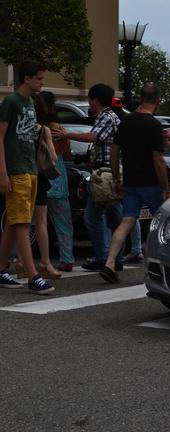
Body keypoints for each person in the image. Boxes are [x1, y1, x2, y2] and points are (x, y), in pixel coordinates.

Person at [99, 83, 170, 283]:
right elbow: (158, 159)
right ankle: (160, 266)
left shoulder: (126, 121)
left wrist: (116, 178)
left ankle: (110, 263)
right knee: (163, 223)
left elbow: (114, 151)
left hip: (130, 181)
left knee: (127, 221)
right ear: (157, 101)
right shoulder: (154, 125)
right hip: (152, 183)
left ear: (140, 98)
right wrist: (166, 188)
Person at [54, 84, 123, 271]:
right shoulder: (110, 117)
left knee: (95, 217)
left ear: (95, 100)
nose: (89, 104)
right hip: (108, 173)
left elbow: (94, 137)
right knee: (111, 216)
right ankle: (114, 257)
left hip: (105, 175)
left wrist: (66, 134)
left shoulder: (106, 118)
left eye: (90, 100)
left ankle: (106, 257)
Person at [0, 60, 55, 294]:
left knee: (16, 222)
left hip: (30, 168)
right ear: (27, 79)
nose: (42, 82)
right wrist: (3, 171)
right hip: (16, 169)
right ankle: (33, 276)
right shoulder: (11, 102)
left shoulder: (31, 102)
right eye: (39, 78)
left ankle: (1, 268)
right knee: (22, 223)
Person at [14, 93, 62, 280]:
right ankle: (45, 262)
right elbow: (54, 157)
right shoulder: (43, 130)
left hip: (19, 174)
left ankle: (20, 262)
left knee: (20, 222)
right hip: (39, 179)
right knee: (41, 222)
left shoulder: (16, 130)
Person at [39, 91, 75, 272]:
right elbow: (67, 152)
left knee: (28, 222)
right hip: (57, 174)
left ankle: (17, 258)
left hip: (38, 173)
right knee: (62, 221)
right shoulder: (58, 128)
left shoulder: (34, 126)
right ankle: (67, 258)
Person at [110, 96, 143, 263]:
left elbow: (115, 151)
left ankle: (117, 256)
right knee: (131, 214)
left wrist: (116, 176)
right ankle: (136, 248)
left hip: (124, 171)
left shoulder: (117, 122)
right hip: (131, 170)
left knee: (127, 214)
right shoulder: (126, 119)